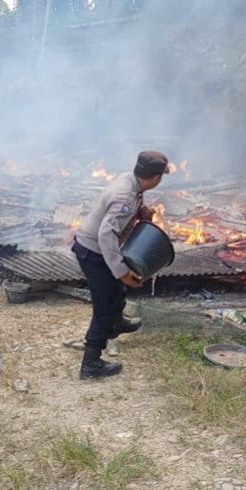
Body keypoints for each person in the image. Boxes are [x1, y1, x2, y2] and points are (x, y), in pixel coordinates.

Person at [72, 151, 170, 379]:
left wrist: (141, 213)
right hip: (93, 252)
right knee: (104, 305)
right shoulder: (125, 196)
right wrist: (121, 271)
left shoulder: (131, 183)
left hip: (101, 249)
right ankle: (91, 364)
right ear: (156, 178)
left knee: (116, 290)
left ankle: (117, 323)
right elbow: (106, 234)